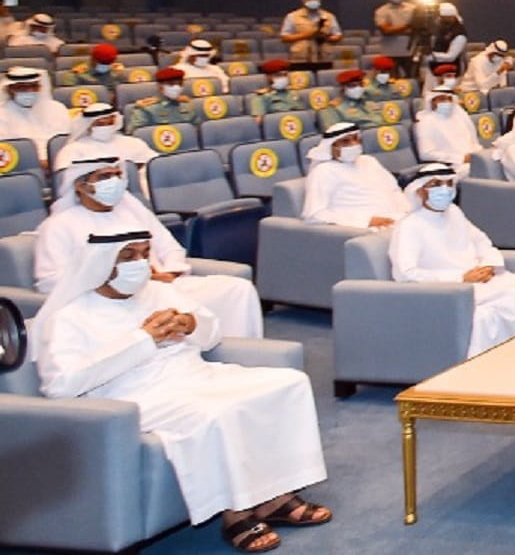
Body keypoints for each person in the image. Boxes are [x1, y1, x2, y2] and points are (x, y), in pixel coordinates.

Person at [33, 230, 330, 550]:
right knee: (218, 411)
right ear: (100, 263)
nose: (139, 263)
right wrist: (143, 340)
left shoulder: (159, 291)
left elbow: (211, 334)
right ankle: (237, 513)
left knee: (290, 383)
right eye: (128, 256)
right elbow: (60, 385)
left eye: (144, 253)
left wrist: (191, 324)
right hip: (134, 395)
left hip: (194, 375)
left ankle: (275, 497)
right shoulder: (71, 316)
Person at [36, 155, 263, 338]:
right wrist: (110, 279)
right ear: (80, 185)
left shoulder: (132, 210)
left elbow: (171, 248)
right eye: (104, 176)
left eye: (117, 175)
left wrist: (170, 271)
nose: (114, 181)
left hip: (161, 287)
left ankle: (239, 353)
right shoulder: (58, 226)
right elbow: (49, 281)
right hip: (108, 300)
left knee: (237, 289)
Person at [388, 163, 515, 358]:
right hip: (451, 291)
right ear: (419, 191)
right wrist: (461, 278)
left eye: (448, 184)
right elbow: (406, 274)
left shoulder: (454, 213)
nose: (444, 190)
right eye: (436, 184)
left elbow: (481, 242)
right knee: (491, 312)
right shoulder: (409, 226)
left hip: (481, 280)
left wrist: (488, 264)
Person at [301, 123, 411, 229]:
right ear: (331, 146)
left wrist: (407, 210)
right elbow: (315, 215)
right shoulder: (323, 171)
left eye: (356, 139)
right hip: (362, 228)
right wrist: (366, 221)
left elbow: (394, 190)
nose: (353, 144)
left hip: (397, 219)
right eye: (345, 141)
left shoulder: (369, 161)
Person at [53, 103, 155, 181]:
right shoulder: (72, 150)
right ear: (88, 125)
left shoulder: (134, 143)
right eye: (100, 124)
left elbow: (154, 166)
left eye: (110, 122)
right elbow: (64, 178)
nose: (106, 127)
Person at [0, 67, 69, 164]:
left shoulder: (57, 108)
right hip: (23, 164)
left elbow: (65, 140)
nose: (29, 91)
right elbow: (6, 150)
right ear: (10, 89)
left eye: (34, 86)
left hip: (60, 161)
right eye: (22, 87)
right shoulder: (2, 114)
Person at [414, 81, 483, 175]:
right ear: (432, 102)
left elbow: (473, 142)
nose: (447, 102)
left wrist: (479, 155)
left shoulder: (459, 117)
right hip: (453, 166)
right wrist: (460, 158)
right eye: (442, 99)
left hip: (473, 159)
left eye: (449, 99)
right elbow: (426, 154)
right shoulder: (426, 122)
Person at [279, 0, 342, 69]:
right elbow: (285, 37)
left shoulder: (329, 16)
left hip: (324, 58)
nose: (312, 1)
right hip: (300, 59)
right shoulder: (292, 16)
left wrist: (326, 37)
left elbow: (338, 36)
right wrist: (308, 35)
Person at [126, 68, 198, 132]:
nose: (176, 87)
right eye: (171, 84)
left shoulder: (187, 106)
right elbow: (134, 134)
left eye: (180, 84)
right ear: (160, 86)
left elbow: (197, 131)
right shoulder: (146, 109)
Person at [373, 0, 415, 67]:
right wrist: (408, 26)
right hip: (389, 52)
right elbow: (386, 30)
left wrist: (393, 29)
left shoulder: (413, 9)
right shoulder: (381, 11)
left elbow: (417, 29)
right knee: (390, 75)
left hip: (410, 52)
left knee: (412, 75)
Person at [58, 42, 124, 88]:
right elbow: (70, 95)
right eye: (101, 62)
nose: (104, 66)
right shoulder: (76, 75)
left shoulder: (116, 72)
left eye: (107, 63)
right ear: (92, 59)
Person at [426, 3, 468, 74]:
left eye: (443, 18)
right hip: (436, 66)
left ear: (451, 17)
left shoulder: (459, 35)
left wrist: (431, 55)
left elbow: (451, 57)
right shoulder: (443, 30)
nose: (439, 20)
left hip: (452, 70)